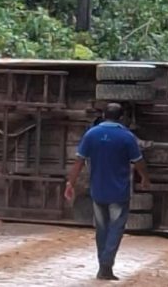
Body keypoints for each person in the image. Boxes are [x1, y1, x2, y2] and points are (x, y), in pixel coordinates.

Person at [64, 103, 151, 281]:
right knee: (116, 228)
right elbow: (138, 161)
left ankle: (102, 265)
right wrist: (145, 178)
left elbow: (79, 162)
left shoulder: (91, 134)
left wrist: (70, 183)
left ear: (104, 115)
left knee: (101, 229)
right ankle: (106, 265)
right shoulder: (127, 137)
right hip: (119, 192)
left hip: (98, 191)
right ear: (122, 118)